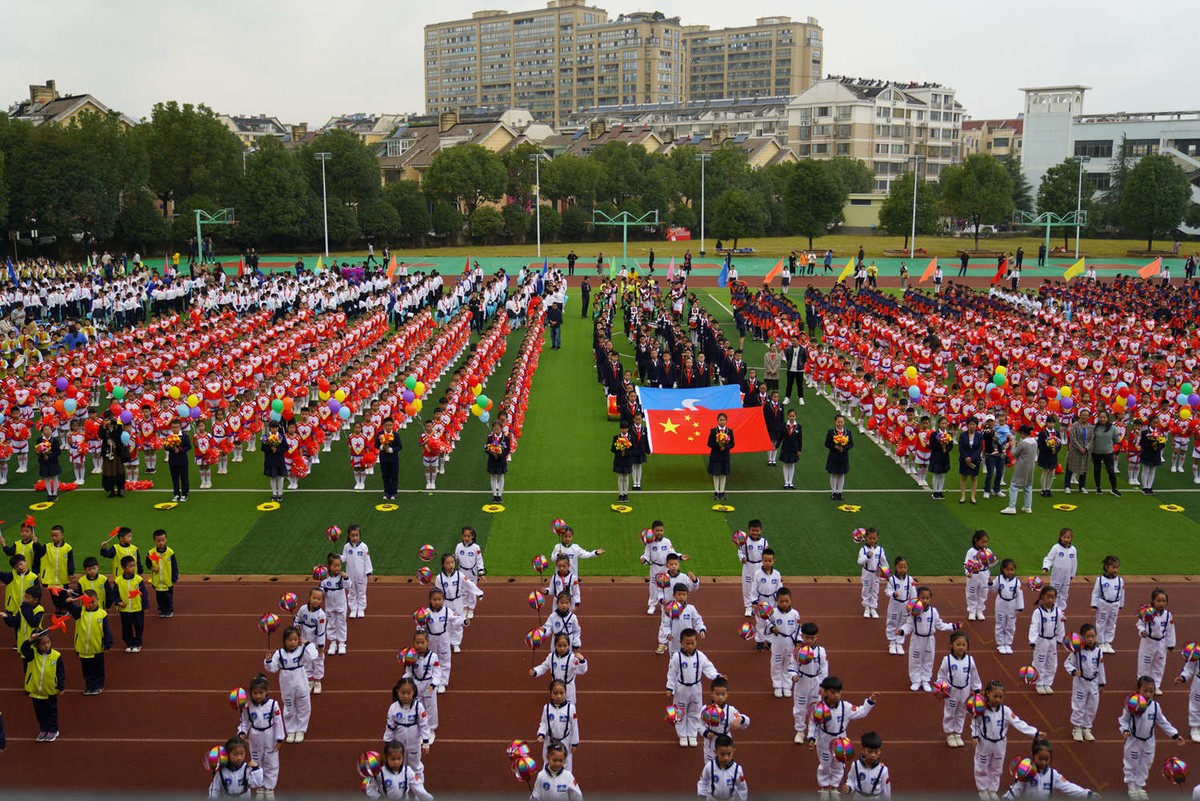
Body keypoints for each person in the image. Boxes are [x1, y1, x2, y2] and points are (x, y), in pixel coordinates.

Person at [972, 680, 1043, 801]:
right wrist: (975, 735)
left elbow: (1018, 723)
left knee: (997, 767)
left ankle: (992, 789)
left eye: (1001, 697)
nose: (998, 699)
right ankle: (983, 789)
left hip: (1000, 743)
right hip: (984, 743)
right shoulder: (981, 709)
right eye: (995, 696)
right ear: (987, 693)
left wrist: (1034, 732)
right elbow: (975, 723)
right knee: (981, 765)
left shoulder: (1006, 711)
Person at [807, 676, 876, 799]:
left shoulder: (846, 707)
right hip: (824, 741)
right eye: (833, 692)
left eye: (838, 692)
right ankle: (824, 787)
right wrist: (811, 738)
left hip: (841, 741)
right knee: (825, 764)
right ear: (825, 692)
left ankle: (833, 787)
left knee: (839, 765)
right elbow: (814, 724)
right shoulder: (820, 708)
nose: (836, 695)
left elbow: (861, 712)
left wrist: (870, 702)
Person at [1120, 675, 1184, 799]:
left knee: (1145, 764)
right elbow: (1124, 720)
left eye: (1151, 691)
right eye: (1145, 691)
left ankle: (1139, 786)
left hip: (1149, 741)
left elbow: (1163, 722)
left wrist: (1174, 734)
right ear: (1138, 689)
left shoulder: (1155, 706)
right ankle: (1131, 787)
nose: (1148, 694)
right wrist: (1125, 730)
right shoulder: (1132, 704)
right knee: (1131, 763)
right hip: (1134, 740)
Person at [667, 628, 720, 748]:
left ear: (696, 642)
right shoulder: (677, 657)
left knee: (695, 711)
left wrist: (717, 676)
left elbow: (709, 668)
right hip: (681, 688)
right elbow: (672, 673)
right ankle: (682, 734)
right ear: (681, 642)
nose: (690, 646)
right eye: (687, 643)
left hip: (696, 688)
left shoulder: (700, 656)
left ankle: (692, 734)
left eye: (693, 643)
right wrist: (670, 687)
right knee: (679, 712)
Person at [237, 674, 285, 798]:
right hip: (255, 736)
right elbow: (245, 722)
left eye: (261, 692)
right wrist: (242, 732)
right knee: (256, 760)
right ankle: (259, 786)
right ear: (251, 693)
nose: (258, 696)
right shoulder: (247, 707)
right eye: (255, 693)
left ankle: (269, 788)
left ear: (267, 691)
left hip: (269, 735)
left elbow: (278, 721)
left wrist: (279, 738)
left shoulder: (273, 704)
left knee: (271, 761)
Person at [898, 586, 954, 691]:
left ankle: (925, 680)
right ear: (918, 599)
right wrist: (902, 631)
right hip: (917, 639)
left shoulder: (934, 611)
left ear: (930, 599)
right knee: (915, 659)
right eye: (922, 598)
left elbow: (939, 624)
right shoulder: (913, 612)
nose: (925, 600)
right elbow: (908, 626)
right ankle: (916, 680)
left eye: (927, 598)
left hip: (929, 640)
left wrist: (952, 626)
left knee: (928, 659)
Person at [1003, 739, 1095, 798]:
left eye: (1046, 759)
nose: (1043, 762)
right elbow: (1016, 789)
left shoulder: (1053, 775)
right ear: (1033, 755)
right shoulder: (1026, 772)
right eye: (1040, 759)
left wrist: (1087, 794)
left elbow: (1068, 787)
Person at [937, 631, 981, 748]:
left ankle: (958, 732)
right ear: (952, 645)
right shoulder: (947, 660)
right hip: (951, 691)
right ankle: (949, 733)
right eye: (958, 644)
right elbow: (941, 674)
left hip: (965, 691)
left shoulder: (970, 660)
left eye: (963, 645)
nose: (961, 647)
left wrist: (976, 688)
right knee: (950, 711)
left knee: (961, 712)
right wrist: (941, 688)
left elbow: (974, 674)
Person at [382, 677, 431, 778]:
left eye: (409, 693)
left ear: (414, 692)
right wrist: (388, 743)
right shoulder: (393, 708)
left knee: (415, 766)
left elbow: (424, 725)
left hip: (414, 742)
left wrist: (425, 742)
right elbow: (389, 727)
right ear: (397, 692)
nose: (405, 696)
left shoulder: (419, 707)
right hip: (398, 743)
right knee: (399, 765)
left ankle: (418, 790)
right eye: (402, 693)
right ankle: (402, 788)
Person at [1064, 623, 1105, 743]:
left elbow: (1101, 668)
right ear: (1082, 637)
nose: (1091, 639)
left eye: (1093, 636)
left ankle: (1087, 727)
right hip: (1080, 682)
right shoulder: (1076, 652)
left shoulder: (1098, 652)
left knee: (1092, 706)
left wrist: (1101, 683)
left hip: (1093, 682)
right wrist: (1073, 671)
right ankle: (1077, 727)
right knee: (1079, 705)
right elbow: (1067, 663)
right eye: (1088, 636)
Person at [21, 631, 65, 742]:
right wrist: (30, 640)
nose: (46, 646)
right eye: (43, 644)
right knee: (40, 713)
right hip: (35, 691)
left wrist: (61, 685)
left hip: (49, 690)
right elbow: (23, 649)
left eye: (48, 642)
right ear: (36, 645)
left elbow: (60, 672)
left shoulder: (56, 656)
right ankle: (44, 729)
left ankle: (54, 730)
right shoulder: (32, 654)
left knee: (52, 712)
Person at [67, 589, 110, 695]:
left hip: (96, 648)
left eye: (92, 602)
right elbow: (72, 609)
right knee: (87, 670)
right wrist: (69, 602)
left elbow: (106, 630)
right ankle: (89, 686)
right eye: (87, 602)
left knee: (98, 668)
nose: (90, 604)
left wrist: (108, 643)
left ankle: (99, 685)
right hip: (83, 648)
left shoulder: (102, 614)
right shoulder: (80, 612)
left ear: (97, 600)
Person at [365, 741, 434, 800]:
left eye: (399, 759)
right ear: (386, 758)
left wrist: (429, 798)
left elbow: (418, 788)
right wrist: (379, 798)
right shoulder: (380, 773)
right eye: (393, 759)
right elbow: (370, 789)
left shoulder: (408, 771)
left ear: (403, 757)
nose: (396, 762)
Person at [536, 678, 580, 772]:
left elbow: (574, 726)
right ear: (551, 694)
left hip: (565, 741)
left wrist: (574, 742)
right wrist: (541, 734)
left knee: (566, 764)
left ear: (566, 693)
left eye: (562, 693)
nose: (559, 696)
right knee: (548, 761)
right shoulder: (547, 708)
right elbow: (544, 722)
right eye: (555, 693)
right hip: (550, 741)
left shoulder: (570, 708)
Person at [532, 632, 588, 705]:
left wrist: (582, 661)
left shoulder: (572, 658)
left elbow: (582, 670)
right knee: (556, 708)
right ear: (555, 645)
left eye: (565, 646)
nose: (562, 648)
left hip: (568, 689)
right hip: (555, 688)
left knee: (569, 710)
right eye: (559, 645)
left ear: (568, 646)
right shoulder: (551, 657)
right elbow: (543, 667)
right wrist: (535, 671)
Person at [1136, 588, 1175, 689]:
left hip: (1161, 643)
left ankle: (1155, 686)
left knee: (1159, 666)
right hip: (1148, 642)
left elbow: (1170, 630)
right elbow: (1140, 624)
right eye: (1158, 601)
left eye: (1164, 601)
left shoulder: (1168, 615)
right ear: (1152, 601)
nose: (1161, 603)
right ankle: (1143, 685)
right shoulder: (1147, 612)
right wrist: (1142, 631)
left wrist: (1170, 644)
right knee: (1145, 664)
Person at [1028, 586, 1064, 695]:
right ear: (1042, 597)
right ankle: (1039, 683)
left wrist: (1059, 639)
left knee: (1052, 664)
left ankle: (1048, 683)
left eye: (1053, 597)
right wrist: (1032, 641)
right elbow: (1034, 626)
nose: (1050, 600)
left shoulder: (1058, 612)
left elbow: (1060, 626)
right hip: (1041, 641)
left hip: (1052, 641)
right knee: (1040, 662)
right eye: (1048, 597)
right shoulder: (1038, 612)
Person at [293, 588, 327, 695]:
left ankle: (317, 681)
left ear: (322, 601)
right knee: (307, 659)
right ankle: (309, 679)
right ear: (309, 597)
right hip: (304, 638)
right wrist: (296, 626)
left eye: (319, 599)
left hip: (316, 640)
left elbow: (321, 632)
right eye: (314, 598)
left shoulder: (321, 615)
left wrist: (320, 647)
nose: (316, 600)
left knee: (318, 660)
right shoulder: (303, 608)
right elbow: (298, 620)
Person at [698, 734, 748, 801]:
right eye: (722, 754)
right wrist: (702, 796)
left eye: (729, 754)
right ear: (716, 752)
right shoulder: (709, 767)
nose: (726, 758)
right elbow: (703, 782)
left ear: (733, 751)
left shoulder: (737, 769)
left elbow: (742, 788)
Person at [842, 731, 890, 799]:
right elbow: (851, 780)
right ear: (862, 750)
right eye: (870, 752)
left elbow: (886, 791)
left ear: (880, 751)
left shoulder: (883, 770)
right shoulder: (855, 765)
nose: (873, 755)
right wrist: (848, 788)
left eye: (876, 752)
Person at [1000, 425, 1037, 515]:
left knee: (1014, 486)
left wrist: (1013, 446)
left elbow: (1014, 454)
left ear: (1023, 433)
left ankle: (1012, 507)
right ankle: (1028, 507)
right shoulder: (1034, 442)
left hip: (1022, 467)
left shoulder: (1024, 443)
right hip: (1031, 466)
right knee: (1028, 486)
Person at [990, 558, 1024, 655]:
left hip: (1012, 605)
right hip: (1001, 603)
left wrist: (1020, 607)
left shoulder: (1017, 582)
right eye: (1007, 570)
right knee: (1000, 623)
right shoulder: (999, 579)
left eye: (1012, 570)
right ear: (1003, 569)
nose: (1010, 572)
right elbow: (993, 589)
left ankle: (1008, 644)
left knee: (1010, 625)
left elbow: (1019, 594)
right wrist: (990, 584)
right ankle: (1000, 644)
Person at [1092, 555, 1124, 654]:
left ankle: (1108, 642)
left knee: (1112, 624)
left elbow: (1122, 593)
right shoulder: (1100, 580)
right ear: (1106, 567)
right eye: (1113, 567)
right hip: (1103, 604)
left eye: (1117, 568)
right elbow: (1095, 592)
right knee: (1101, 623)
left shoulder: (1120, 580)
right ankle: (1100, 642)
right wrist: (1094, 604)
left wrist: (1121, 604)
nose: (1115, 570)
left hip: (1115, 605)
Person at [320, 553, 350, 655]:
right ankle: (332, 643)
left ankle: (342, 643)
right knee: (331, 623)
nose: (337, 568)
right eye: (335, 566)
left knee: (341, 623)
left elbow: (348, 586)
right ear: (329, 566)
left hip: (341, 605)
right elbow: (321, 591)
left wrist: (346, 578)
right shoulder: (325, 578)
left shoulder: (342, 577)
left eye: (339, 566)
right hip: (329, 606)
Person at [884, 559, 916, 656]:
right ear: (896, 567)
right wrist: (893, 593)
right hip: (894, 604)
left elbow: (913, 594)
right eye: (900, 567)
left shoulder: (910, 579)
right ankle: (892, 642)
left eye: (904, 567)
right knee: (892, 622)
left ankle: (899, 642)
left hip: (905, 605)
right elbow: (887, 590)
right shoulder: (892, 579)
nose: (902, 569)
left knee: (903, 623)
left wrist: (911, 605)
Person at [1040, 528, 1077, 612]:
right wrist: (1046, 567)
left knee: (1064, 594)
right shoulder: (1056, 548)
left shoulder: (1073, 550)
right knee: (1054, 592)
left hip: (1067, 577)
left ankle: (1061, 611)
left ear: (1071, 538)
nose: (1066, 539)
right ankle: (1053, 609)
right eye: (1064, 537)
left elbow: (1074, 563)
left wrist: (1072, 574)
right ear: (1060, 537)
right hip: (1057, 576)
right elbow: (1049, 558)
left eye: (1068, 538)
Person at [856, 528, 887, 619]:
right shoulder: (863, 549)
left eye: (874, 538)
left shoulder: (880, 550)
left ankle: (873, 608)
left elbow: (884, 563)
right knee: (866, 589)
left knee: (875, 590)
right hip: (866, 572)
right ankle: (866, 607)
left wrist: (885, 574)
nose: (872, 540)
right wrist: (867, 556)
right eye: (870, 538)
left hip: (876, 574)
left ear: (877, 538)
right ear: (866, 538)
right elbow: (860, 561)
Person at [147, 529, 179, 618]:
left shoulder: (170, 553)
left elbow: (174, 566)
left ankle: (169, 610)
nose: (161, 542)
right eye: (158, 541)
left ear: (166, 540)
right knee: (159, 596)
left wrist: (174, 577)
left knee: (168, 596)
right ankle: (162, 609)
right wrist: (152, 568)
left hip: (167, 580)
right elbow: (148, 563)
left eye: (163, 540)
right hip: (157, 580)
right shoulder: (151, 553)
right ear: (155, 541)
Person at [99, 412, 129, 498]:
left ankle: (120, 489)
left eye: (109, 419)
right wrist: (105, 427)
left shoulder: (118, 427)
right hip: (107, 452)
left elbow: (117, 436)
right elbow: (101, 436)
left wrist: (112, 427)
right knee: (109, 470)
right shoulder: (102, 428)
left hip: (117, 452)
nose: (107, 421)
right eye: (106, 419)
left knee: (119, 469)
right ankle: (111, 490)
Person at [824, 414, 854, 501]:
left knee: (841, 474)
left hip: (843, 456)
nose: (839, 424)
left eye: (841, 422)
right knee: (833, 474)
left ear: (844, 422)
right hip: (834, 455)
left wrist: (844, 448)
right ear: (835, 422)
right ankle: (833, 492)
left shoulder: (848, 432)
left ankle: (840, 492)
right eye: (838, 422)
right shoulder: (831, 432)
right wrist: (835, 446)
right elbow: (827, 443)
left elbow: (851, 444)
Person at [964, 529, 992, 621]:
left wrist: (993, 560)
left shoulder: (988, 551)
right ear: (976, 540)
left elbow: (990, 564)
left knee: (983, 592)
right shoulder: (971, 552)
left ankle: (980, 610)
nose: (985, 544)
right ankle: (972, 611)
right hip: (974, 575)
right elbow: (967, 563)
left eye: (986, 542)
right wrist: (968, 573)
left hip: (984, 574)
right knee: (971, 592)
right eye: (983, 542)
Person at [706, 413, 734, 501]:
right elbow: (709, 443)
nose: (722, 422)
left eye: (723, 420)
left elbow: (732, 443)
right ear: (717, 421)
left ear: (726, 421)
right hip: (716, 455)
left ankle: (722, 492)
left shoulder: (729, 431)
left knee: (723, 474)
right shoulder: (713, 431)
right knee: (716, 474)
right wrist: (718, 446)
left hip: (725, 456)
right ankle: (716, 492)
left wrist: (724, 447)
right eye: (720, 420)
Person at [1064, 408, 1092, 494]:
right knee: (1070, 468)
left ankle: (1082, 486)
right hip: (1075, 450)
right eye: (1083, 415)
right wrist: (1079, 447)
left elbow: (1091, 439)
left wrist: (1086, 448)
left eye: (1086, 415)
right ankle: (1067, 486)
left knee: (1084, 469)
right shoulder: (1074, 425)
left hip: (1085, 451)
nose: (1084, 417)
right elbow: (1073, 438)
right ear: (1080, 415)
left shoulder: (1090, 427)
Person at [164, 418, 192, 502]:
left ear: (180, 427)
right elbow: (165, 447)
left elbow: (189, 446)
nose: (175, 429)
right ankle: (176, 494)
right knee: (174, 478)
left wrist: (180, 450)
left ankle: (184, 494)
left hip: (182, 460)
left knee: (184, 477)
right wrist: (171, 447)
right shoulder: (169, 437)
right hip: (172, 460)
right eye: (173, 427)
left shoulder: (184, 436)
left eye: (176, 427)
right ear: (171, 428)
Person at [958, 416, 983, 504]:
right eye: (970, 424)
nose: (972, 426)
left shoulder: (979, 436)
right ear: (968, 425)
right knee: (963, 477)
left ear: (976, 426)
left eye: (974, 425)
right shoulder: (962, 435)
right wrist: (966, 457)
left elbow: (979, 448)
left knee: (974, 477)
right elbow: (961, 448)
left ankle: (973, 496)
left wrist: (971, 458)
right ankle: (963, 496)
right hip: (964, 459)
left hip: (975, 459)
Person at [34, 424, 62, 501]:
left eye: (49, 429)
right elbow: (36, 450)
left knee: (55, 477)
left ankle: (55, 493)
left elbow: (58, 452)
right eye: (45, 430)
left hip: (53, 461)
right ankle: (49, 494)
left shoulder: (55, 440)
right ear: (42, 431)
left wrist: (49, 456)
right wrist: (42, 454)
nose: (47, 431)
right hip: (44, 462)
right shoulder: (39, 440)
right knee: (46, 477)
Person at [375, 418, 401, 502]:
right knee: (385, 476)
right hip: (384, 458)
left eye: (390, 425)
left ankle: (394, 493)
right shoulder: (380, 434)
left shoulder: (396, 435)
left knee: (394, 476)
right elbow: (376, 444)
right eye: (387, 425)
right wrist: (382, 447)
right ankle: (387, 492)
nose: (388, 427)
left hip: (393, 459)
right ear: (383, 426)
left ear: (393, 426)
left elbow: (400, 446)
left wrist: (391, 449)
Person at [261, 421, 288, 503]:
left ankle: (280, 493)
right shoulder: (265, 437)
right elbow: (262, 448)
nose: (274, 429)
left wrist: (277, 450)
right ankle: (274, 493)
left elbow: (286, 447)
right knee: (272, 477)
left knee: (280, 476)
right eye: (273, 428)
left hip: (279, 459)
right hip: (270, 460)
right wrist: (270, 449)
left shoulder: (281, 436)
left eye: (276, 428)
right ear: (270, 428)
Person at [928, 417, 954, 500]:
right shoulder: (934, 434)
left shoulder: (949, 434)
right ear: (939, 424)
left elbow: (951, 445)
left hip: (945, 457)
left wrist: (946, 449)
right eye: (942, 423)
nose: (944, 425)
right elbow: (931, 445)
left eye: (945, 423)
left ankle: (940, 491)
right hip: (936, 456)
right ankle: (935, 492)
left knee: (943, 474)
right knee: (936, 474)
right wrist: (941, 447)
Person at [778, 409, 802, 490]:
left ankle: (790, 482)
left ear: (795, 417)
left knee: (792, 465)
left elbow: (800, 439)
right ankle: (786, 482)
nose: (792, 418)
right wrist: (776, 445)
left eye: (793, 416)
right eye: (790, 416)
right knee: (785, 465)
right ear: (787, 416)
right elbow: (781, 437)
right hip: (786, 448)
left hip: (794, 449)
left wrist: (799, 450)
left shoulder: (798, 426)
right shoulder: (784, 426)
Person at [783, 340, 808, 405]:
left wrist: (801, 364)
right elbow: (787, 357)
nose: (793, 342)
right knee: (789, 384)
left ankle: (801, 398)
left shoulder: (802, 349)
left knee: (800, 385)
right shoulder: (789, 349)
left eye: (794, 341)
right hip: (791, 369)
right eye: (792, 341)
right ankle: (787, 397)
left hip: (799, 370)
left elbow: (805, 358)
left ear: (798, 341)